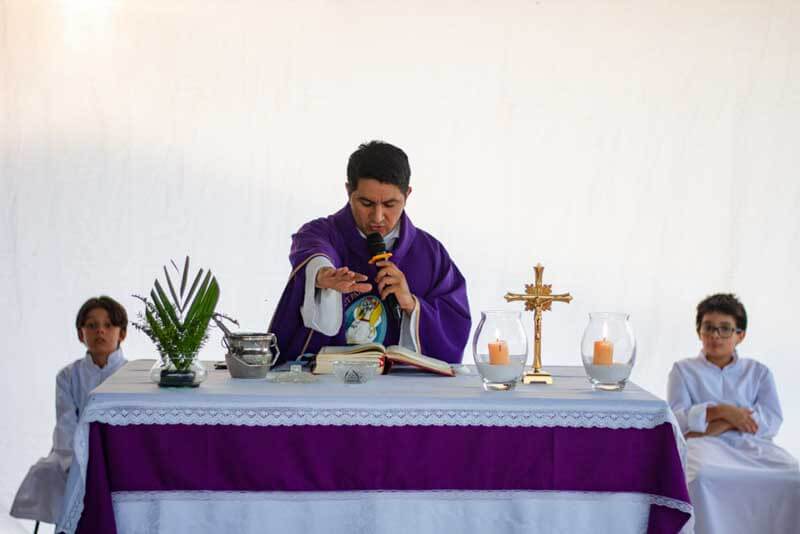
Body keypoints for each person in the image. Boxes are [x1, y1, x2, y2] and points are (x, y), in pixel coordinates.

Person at [269, 140, 471, 365]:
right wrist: (322, 274)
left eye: (390, 204)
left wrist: (412, 306)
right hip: (330, 386)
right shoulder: (323, 233)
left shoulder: (430, 253)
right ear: (348, 191)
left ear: (408, 194)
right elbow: (315, 251)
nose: (377, 217)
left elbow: (454, 324)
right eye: (366, 203)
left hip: (402, 392)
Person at [667, 293, 800, 534]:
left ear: (740, 335)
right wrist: (723, 411)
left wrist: (721, 423)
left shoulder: (758, 372)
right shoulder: (683, 371)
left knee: (795, 477)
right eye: (709, 327)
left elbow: (771, 420)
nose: (716, 335)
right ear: (699, 332)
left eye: (725, 329)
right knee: (702, 479)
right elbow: (677, 421)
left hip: (753, 446)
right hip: (703, 447)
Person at [10, 296, 129, 526]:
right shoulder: (68, 376)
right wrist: (78, 462)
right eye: (92, 325)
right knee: (49, 472)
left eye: (108, 325)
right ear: (80, 333)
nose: (100, 332)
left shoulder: (131, 375)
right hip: (75, 453)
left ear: (121, 333)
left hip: (120, 452)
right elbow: (66, 423)